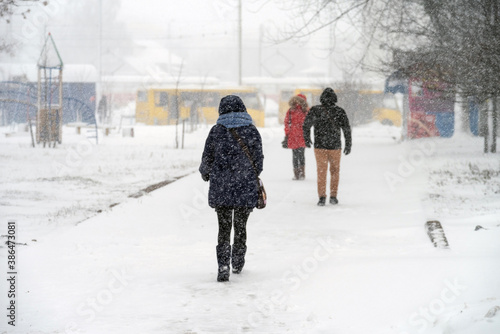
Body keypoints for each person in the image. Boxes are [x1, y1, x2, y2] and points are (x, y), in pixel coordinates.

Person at [199, 95, 264, 282]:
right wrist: (248, 174)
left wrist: (206, 173)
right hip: (245, 185)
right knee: (241, 225)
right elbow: (258, 161)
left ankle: (223, 265)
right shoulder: (251, 131)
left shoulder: (216, 131)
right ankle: (237, 261)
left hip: (222, 187)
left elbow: (207, 158)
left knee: (224, 227)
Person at [303, 87, 352, 206]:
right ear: (334, 98)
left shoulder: (316, 110)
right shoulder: (339, 111)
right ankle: (334, 196)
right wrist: (348, 144)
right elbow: (346, 129)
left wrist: (307, 138)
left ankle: (322, 197)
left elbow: (306, 125)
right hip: (335, 146)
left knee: (321, 171)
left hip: (320, 145)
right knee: (335, 171)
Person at [284, 94, 309, 180]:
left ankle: (296, 174)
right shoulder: (305, 110)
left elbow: (286, 122)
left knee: (295, 155)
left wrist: (287, 132)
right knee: (301, 155)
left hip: (293, 135)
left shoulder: (291, 110)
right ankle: (302, 173)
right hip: (302, 135)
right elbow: (309, 123)